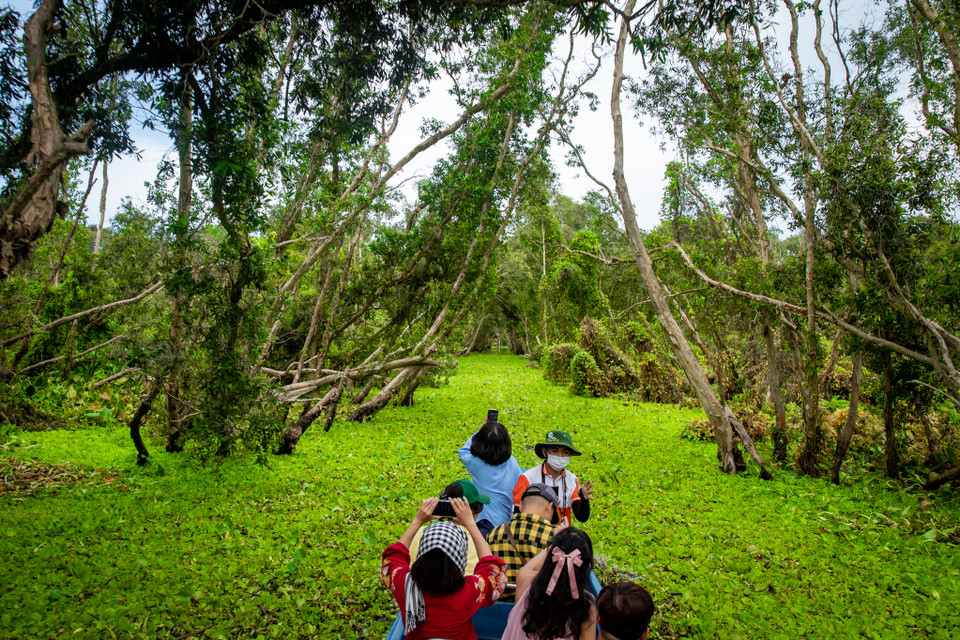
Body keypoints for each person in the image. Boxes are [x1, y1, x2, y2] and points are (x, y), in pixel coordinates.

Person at [381, 496, 507, 640]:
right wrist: (471, 524)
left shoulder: (405, 585)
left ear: (422, 553)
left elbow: (392, 558)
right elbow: (493, 572)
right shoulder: (470, 590)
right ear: (460, 558)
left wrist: (417, 521)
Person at [501, 527, 597, 640]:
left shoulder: (526, 582)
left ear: (550, 554)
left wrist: (553, 545)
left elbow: (527, 569)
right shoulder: (584, 609)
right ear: (587, 567)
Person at [486, 483, 563, 597]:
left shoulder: (494, 534)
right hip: (534, 608)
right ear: (549, 507)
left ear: (521, 505)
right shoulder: (554, 537)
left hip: (497, 607)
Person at [459, 409, 522, 536]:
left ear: (480, 443)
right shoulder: (513, 463)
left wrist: (481, 430)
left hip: (480, 521)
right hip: (504, 524)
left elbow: (463, 451)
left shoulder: (476, 463)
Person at [409, 479, 489, 574]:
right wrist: (471, 524)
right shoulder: (474, 541)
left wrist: (417, 521)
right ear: (471, 510)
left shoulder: (420, 532)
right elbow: (490, 570)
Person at [513, 430, 594, 523]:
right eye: (554, 451)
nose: (560, 456)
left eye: (565, 452)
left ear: (570, 455)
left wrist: (584, 499)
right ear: (544, 452)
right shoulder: (528, 478)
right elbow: (517, 515)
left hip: (562, 535)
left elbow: (581, 517)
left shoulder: (572, 480)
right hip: (535, 533)